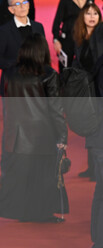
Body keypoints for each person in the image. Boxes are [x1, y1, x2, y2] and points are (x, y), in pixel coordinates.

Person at [0, 34, 68, 223]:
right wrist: (62, 137)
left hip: (16, 135)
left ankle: (25, 212)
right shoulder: (49, 75)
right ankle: (41, 214)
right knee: (42, 177)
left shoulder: (10, 74)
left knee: (23, 176)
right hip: (42, 134)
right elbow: (56, 110)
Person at [0, 0, 45, 97]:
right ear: (11, 10)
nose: (22, 6)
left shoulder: (38, 27)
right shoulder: (4, 31)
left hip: (36, 86)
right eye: (17, 4)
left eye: (24, 3)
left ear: (29, 5)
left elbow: (44, 56)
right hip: (13, 86)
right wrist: (16, 63)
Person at [73, 2, 102, 180]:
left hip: (99, 90)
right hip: (87, 93)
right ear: (82, 17)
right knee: (92, 131)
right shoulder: (80, 37)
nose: (92, 17)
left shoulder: (100, 36)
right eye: (88, 13)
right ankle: (93, 169)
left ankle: (97, 171)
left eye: (95, 14)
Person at [53, 0, 86, 72]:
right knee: (65, 69)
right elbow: (57, 21)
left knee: (84, 67)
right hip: (67, 39)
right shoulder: (65, 1)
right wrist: (55, 40)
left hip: (83, 39)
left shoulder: (90, 1)